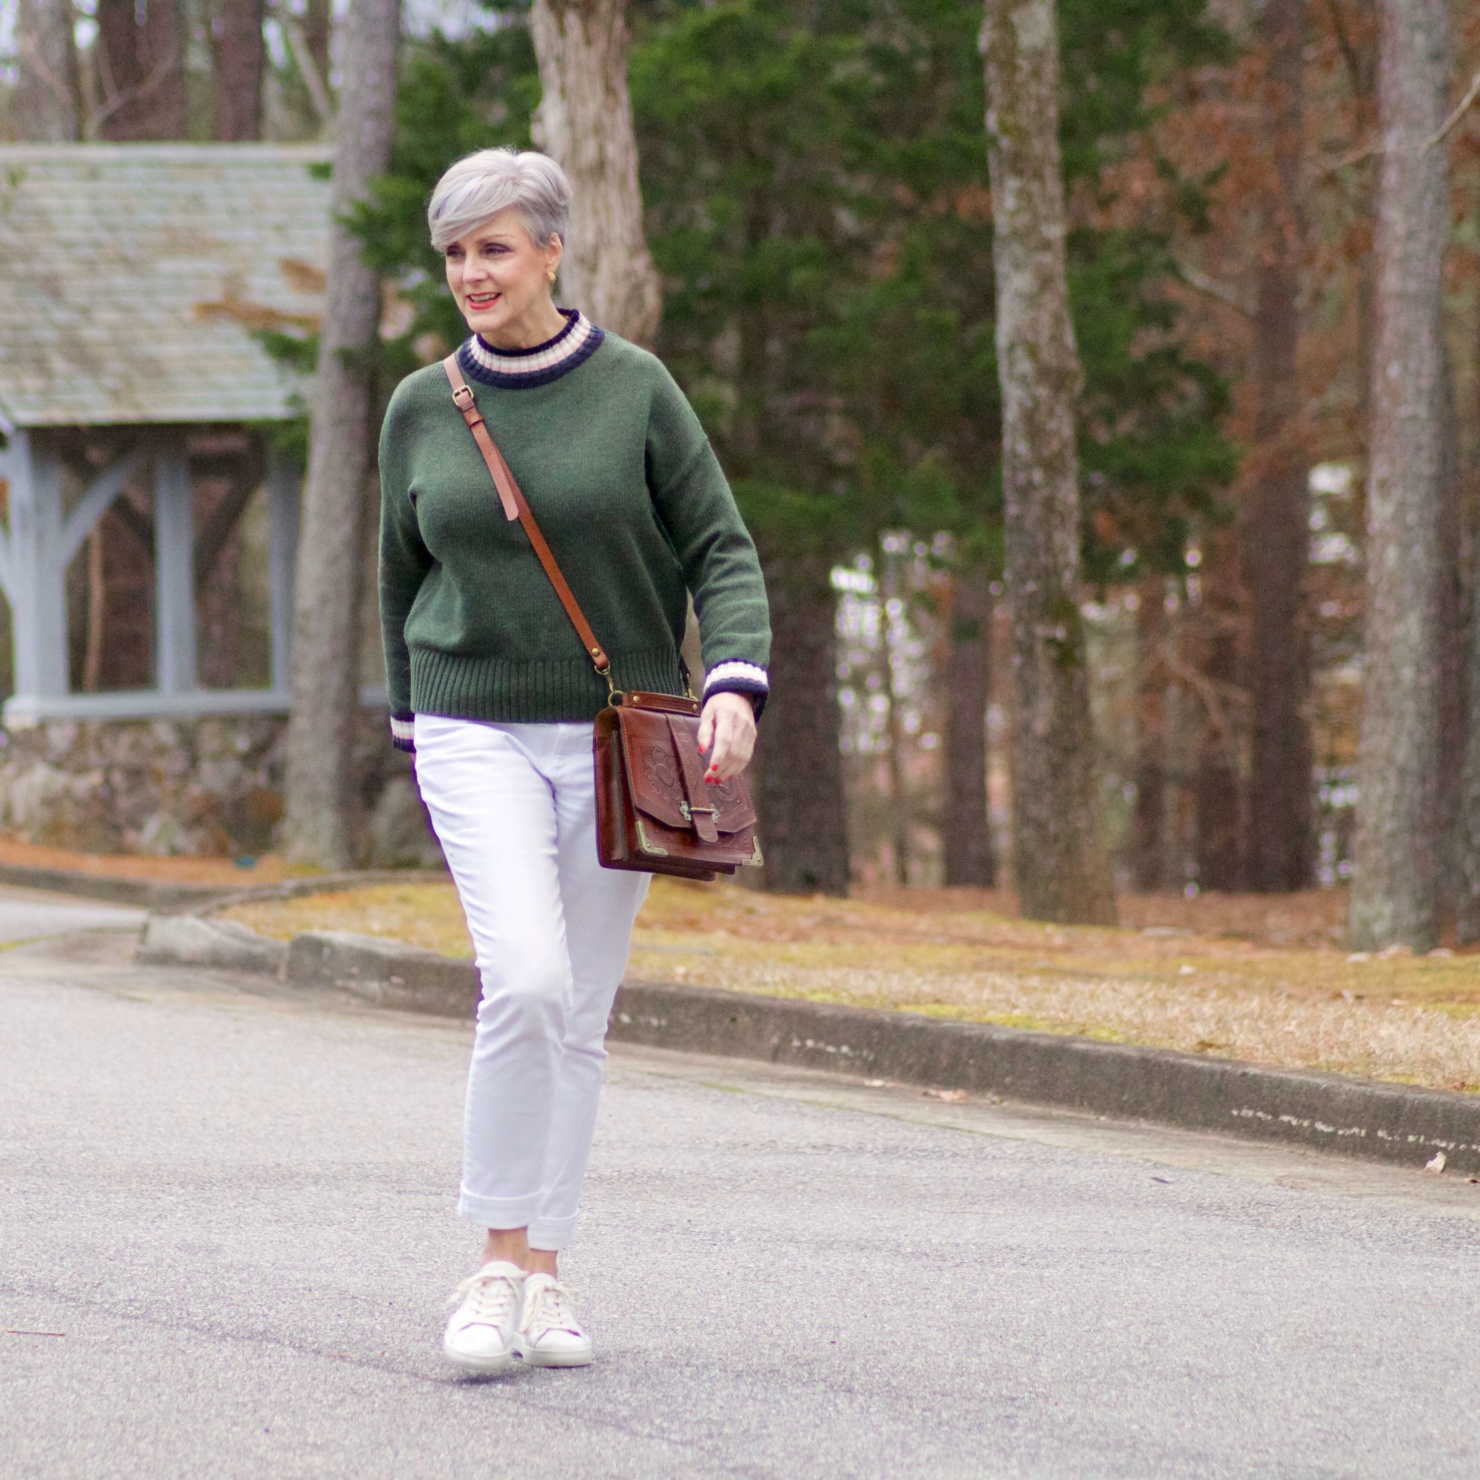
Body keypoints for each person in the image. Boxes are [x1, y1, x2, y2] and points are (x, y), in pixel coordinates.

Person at [378, 147, 771, 1374]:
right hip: (470, 721)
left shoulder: (637, 388)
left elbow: (722, 549)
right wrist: (410, 725)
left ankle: (546, 1274)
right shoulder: (420, 405)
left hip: (617, 737)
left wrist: (735, 682)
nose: (470, 273)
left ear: (551, 248)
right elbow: (398, 580)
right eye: (453, 253)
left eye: (492, 247)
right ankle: (490, 1266)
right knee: (529, 981)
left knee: (582, 1014)